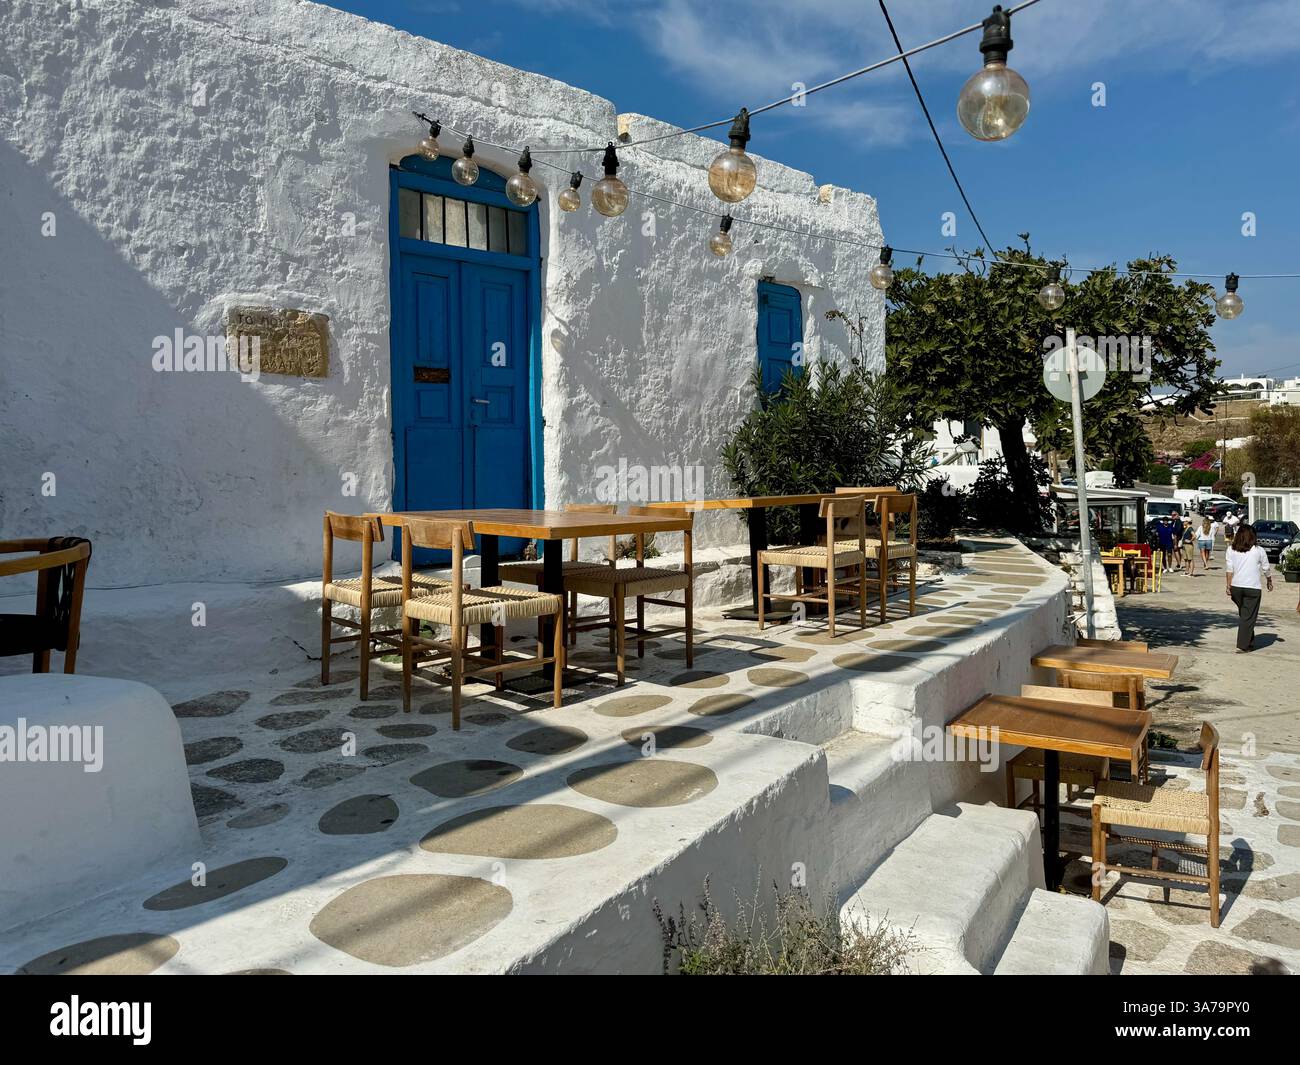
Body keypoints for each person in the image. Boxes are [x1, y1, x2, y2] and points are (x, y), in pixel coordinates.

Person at [1225, 524, 1273, 653]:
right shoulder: (1259, 550)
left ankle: (1249, 642)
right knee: (1248, 616)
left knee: (1246, 614)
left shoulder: (1231, 549)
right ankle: (1242, 645)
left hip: (1236, 587)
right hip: (1253, 588)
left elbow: (1229, 570)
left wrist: (1228, 585)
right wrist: (1269, 580)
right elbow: (1266, 568)